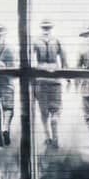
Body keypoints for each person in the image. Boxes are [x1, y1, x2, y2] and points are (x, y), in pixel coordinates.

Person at [30, 19, 67, 150]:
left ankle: (47, 137)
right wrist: (67, 78)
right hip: (55, 77)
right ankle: (55, 135)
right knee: (56, 109)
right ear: (51, 28)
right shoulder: (56, 41)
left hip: (40, 78)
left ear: (42, 28)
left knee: (43, 112)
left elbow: (30, 61)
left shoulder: (35, 41)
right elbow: (64, 60)